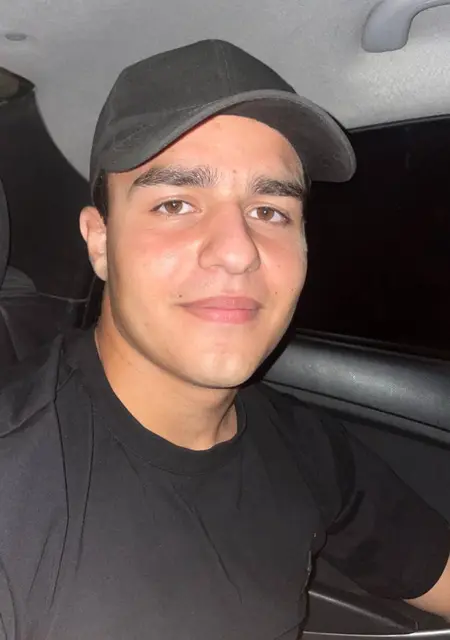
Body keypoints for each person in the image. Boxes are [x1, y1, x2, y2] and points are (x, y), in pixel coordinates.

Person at [0, 39, 449, 640]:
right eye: (176, 203)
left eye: (270, 211)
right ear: (100, 242)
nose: (238, 251)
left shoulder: (300, 443)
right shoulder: (15, 492)